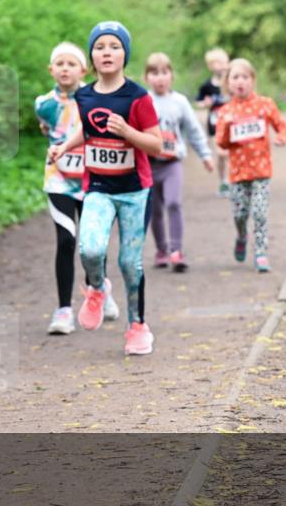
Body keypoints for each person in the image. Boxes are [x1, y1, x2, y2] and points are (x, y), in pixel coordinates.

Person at [48, 22, 162, 355]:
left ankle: (137, 326)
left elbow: (156, 145)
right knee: (90, 249)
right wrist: (65, 147)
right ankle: (97, 287)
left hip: (135, 191)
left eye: (114, 46)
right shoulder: (83, 95)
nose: (107, 52)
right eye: (100, 47)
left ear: (125, 53)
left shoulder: (138, 97)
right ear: (92, 56)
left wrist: (127, 131)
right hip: (97, 186)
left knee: (130, 262)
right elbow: (87, 129)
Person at [35, 41, 120, 334]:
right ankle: (63, 310)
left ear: (84, 69)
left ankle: (98, 288)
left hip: (92, 178)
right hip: (58, 180)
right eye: (59, 64)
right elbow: (45, 126)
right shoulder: (43, 104)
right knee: (66, 240)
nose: (65, 69)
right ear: (51, 70)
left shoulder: (95, 98)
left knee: (92, 240)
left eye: (71, 64)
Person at [215, 58, 286, 273]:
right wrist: (229, 128)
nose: (241, 82)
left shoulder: (265, 104)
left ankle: (261, 252)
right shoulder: (226, 111)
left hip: (261, 170)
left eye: (245, 77)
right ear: (228, 83)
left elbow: (282, 127)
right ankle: (241, 236)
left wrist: (282, 138)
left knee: (259, 212)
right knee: (240, 214)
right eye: (235, 77)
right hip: (238, 173)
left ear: (253, 80)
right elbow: (222, 143)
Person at [144, 52, 215, 272]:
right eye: (154, 73)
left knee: (174, 203)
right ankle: (162, 250)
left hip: (172, 163)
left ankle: (176, 250)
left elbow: (193, 130)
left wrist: (205, 154)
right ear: (146, 77)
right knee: (155, 210)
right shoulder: (142, 101)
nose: (160, 78)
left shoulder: (180, 102)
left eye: (164, 72)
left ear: (172, 76)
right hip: (149, 164)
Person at [195, 48, 230, 197]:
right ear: (211, 65)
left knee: (233, 154)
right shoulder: (207, 86)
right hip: (215, 124)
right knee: (221, 154)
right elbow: (199, 102)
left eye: (224, 62)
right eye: (218, 62)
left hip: (232, 124)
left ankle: (235, 181)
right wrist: (205, 104)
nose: (222, 65)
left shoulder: (231, 82)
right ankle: (223, 181)